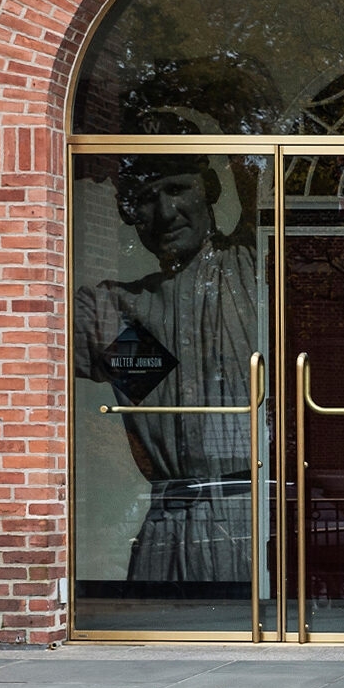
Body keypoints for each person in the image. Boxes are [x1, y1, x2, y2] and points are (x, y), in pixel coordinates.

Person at [74, 154, 262, 590]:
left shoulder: (254, 268)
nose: (164, 213)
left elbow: (265, 185)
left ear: (210, 191)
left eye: (178, 189)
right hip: (167, 533)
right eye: (145, 199)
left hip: (249, 522)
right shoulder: (120, 309)